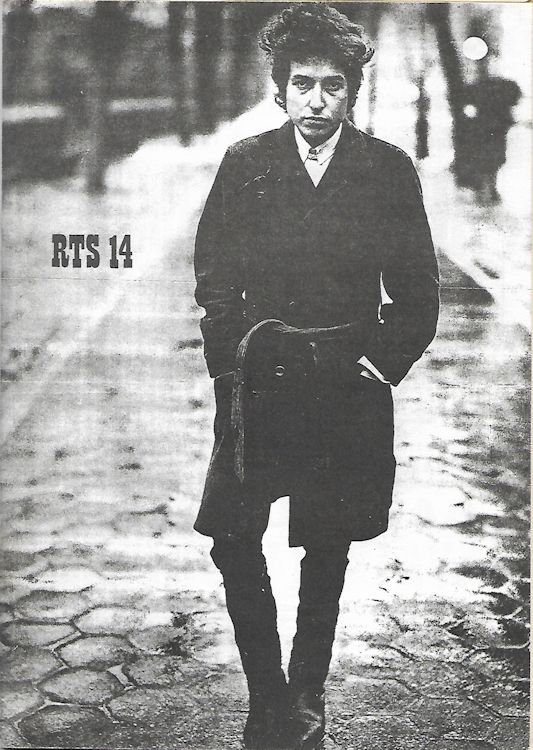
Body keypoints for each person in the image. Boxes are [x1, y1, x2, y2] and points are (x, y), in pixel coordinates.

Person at [193, 4, 439, 748]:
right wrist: (231, 356)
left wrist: (379, 362)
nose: (316, 100)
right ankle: (264, 692)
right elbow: (214, 275)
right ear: (280, 88)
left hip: (342, 385)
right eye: (302, 84)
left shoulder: (384, 169)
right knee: (233, 536)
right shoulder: (246, 163)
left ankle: (305, 694)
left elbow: (417, 290)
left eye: (332, 86)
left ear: (350, 92)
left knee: (327, 544)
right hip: (260, 379)